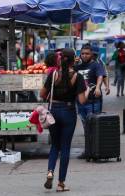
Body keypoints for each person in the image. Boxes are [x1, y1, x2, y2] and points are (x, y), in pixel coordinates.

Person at [40, 48, 89, 192]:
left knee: (55, 145)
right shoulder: (77, 77)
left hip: (54, 111)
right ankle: (61, 183)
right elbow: (81, 100)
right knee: (65, 147)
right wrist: (86, 91)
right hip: (68, 112)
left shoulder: (53, 74)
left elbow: (42, 94)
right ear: (73, 60)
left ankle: (50, 171)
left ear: (61, 59)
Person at [74, 44, 106, 126]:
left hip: (93, 101)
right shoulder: (77, 67)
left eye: (87, 54)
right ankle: (88, 138)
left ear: (92, 54)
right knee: (85, 125)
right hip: (80, 102)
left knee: (94, 126)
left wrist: (98, 87)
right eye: (82, 54)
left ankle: (93, 138)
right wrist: (74, 63)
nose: (84, 56)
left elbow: (100, 76)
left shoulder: (96, 65)